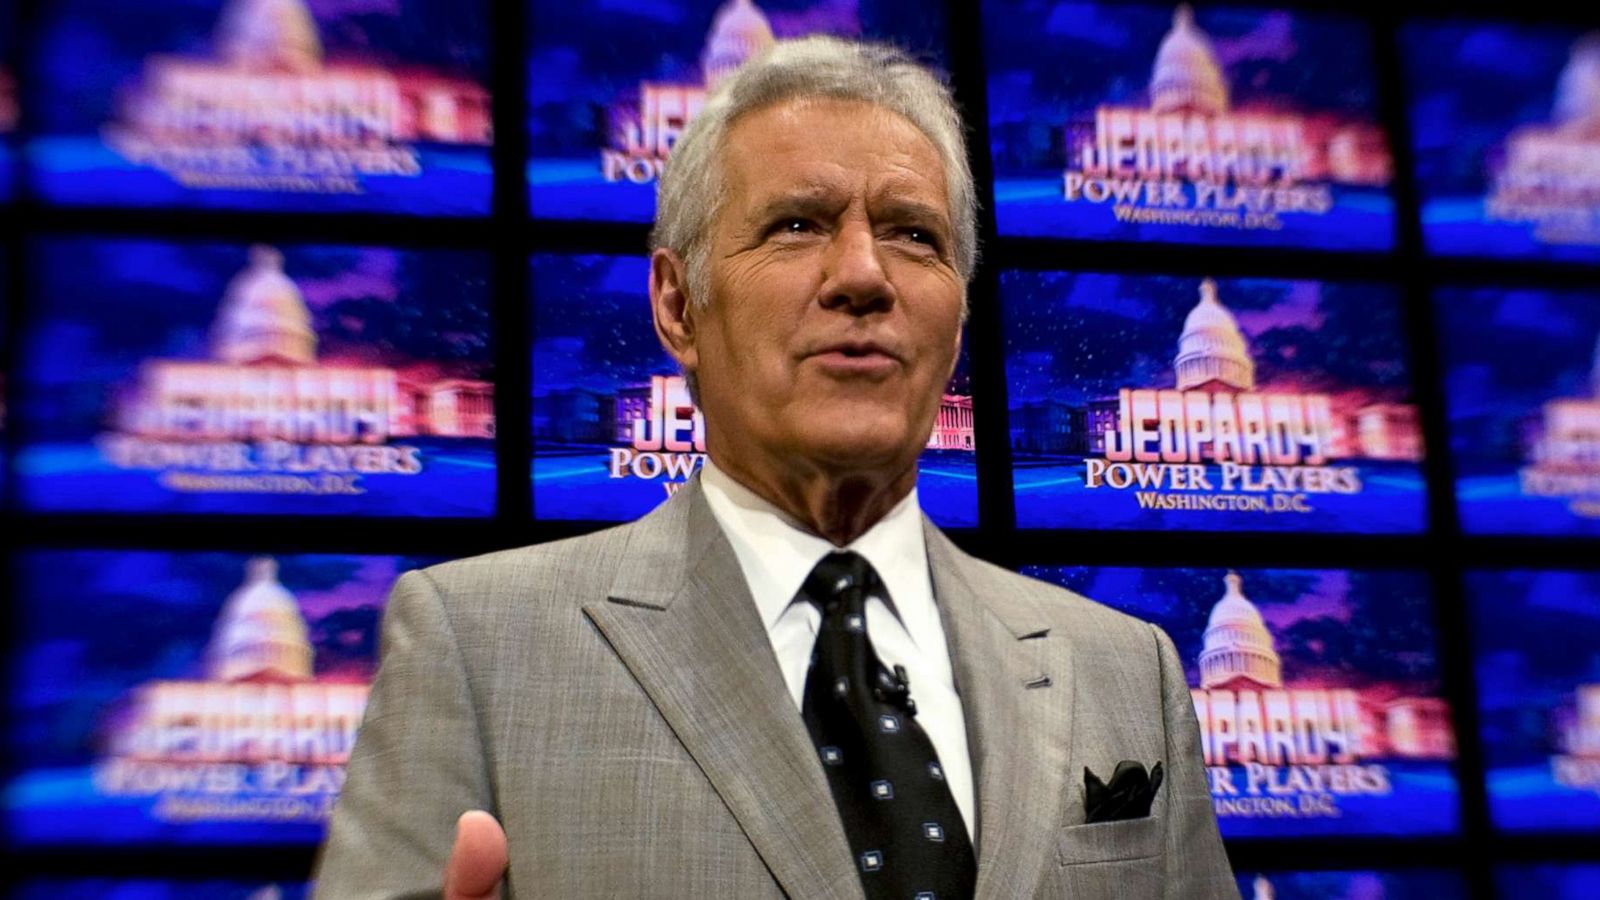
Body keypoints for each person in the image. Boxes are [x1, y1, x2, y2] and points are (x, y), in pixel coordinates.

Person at [313, 36, 1237, 900]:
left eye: (916, 235)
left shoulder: (1129, 670)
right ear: (678, 305)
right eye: (798, 224)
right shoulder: (476, 649)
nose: (864, 275)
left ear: (957, 320)